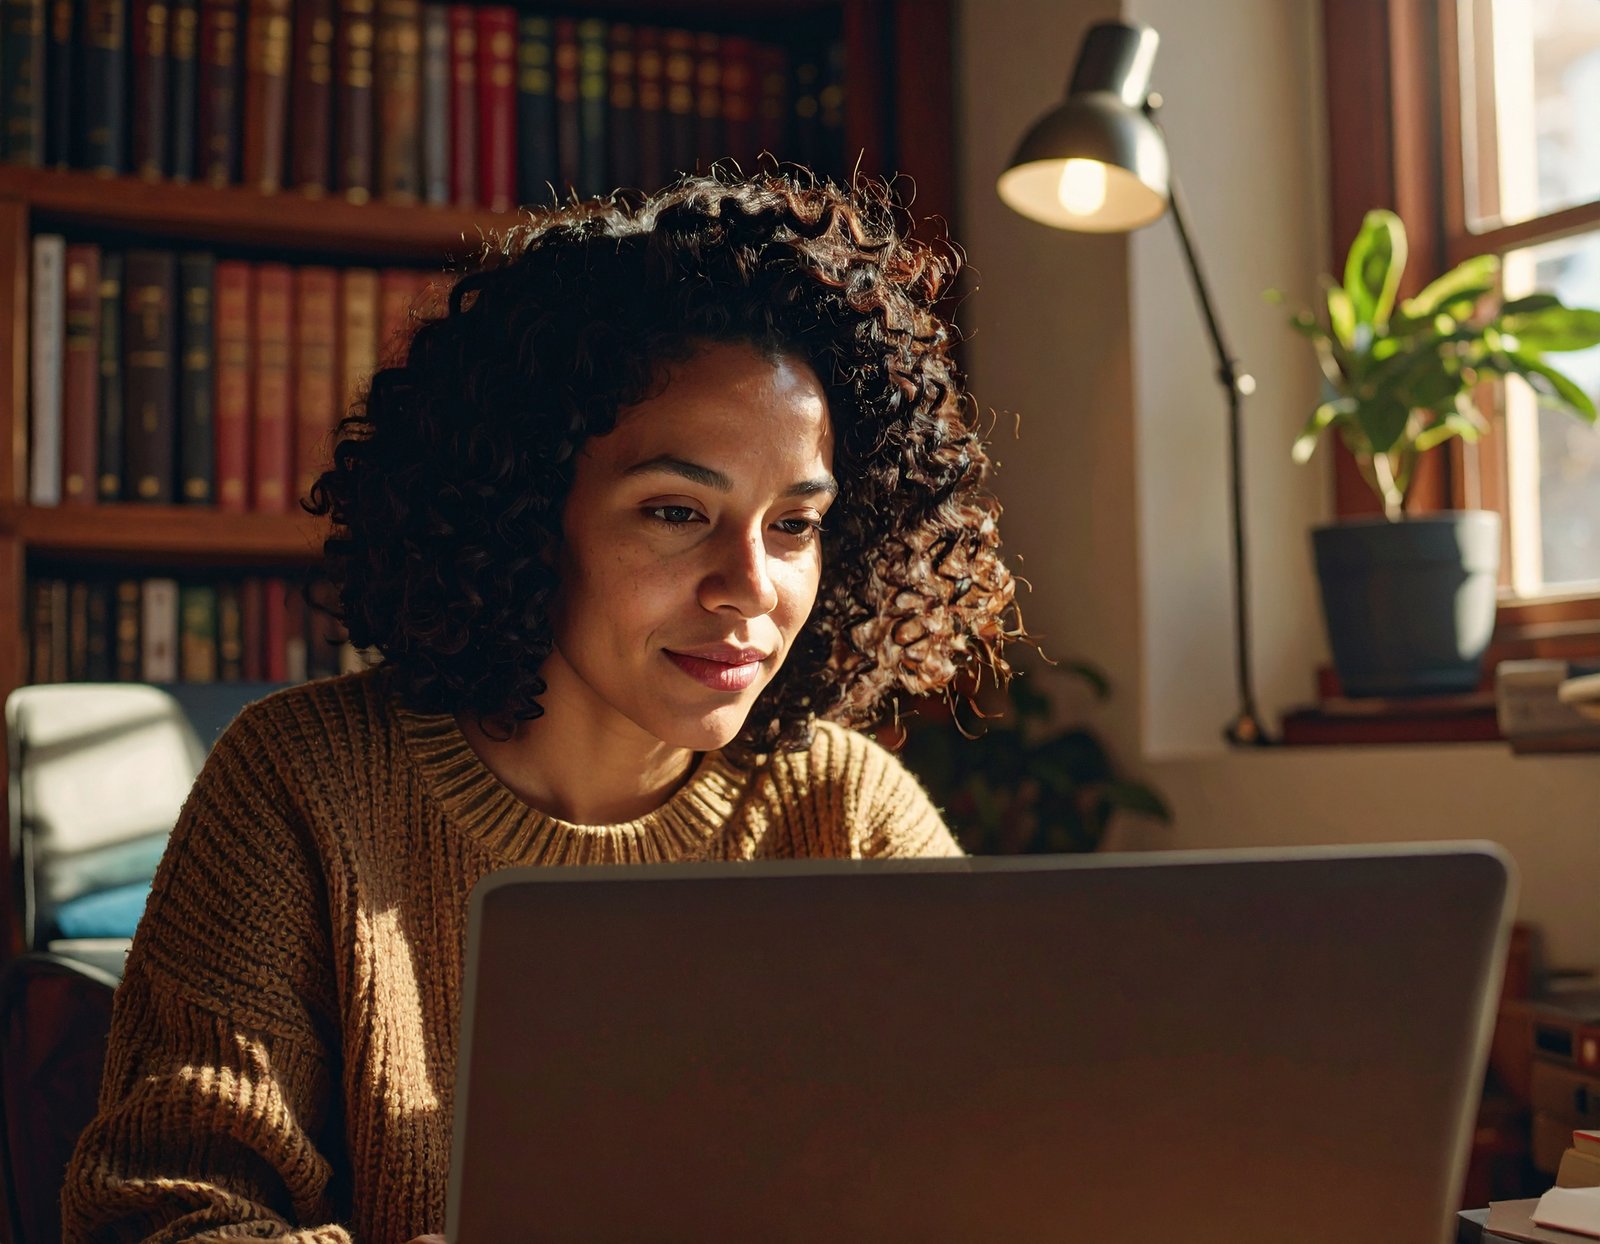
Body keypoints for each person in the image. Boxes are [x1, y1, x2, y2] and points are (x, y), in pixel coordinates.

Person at [62, 169, 1022, 1242]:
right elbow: (160, 1216)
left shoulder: (845, 809)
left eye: (792, 524)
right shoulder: (304, 782)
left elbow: (1000, 1162)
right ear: (522, 511)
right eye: (675, 510)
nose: (750, 584)